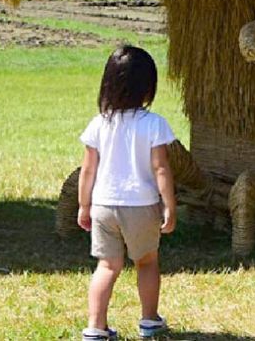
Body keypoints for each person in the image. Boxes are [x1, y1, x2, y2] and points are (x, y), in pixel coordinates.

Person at [78, 46, 177, 340]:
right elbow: (161, 169)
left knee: (106, 265)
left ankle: (96, 327)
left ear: (107, 84)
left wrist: (84, 206)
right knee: (146, 261)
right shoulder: (154, 124)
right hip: (141, 205)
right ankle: (149, 320)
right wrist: (169, 205)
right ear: (148, 87)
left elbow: (87, 171)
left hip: (103, 204)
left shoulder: (99, 123)